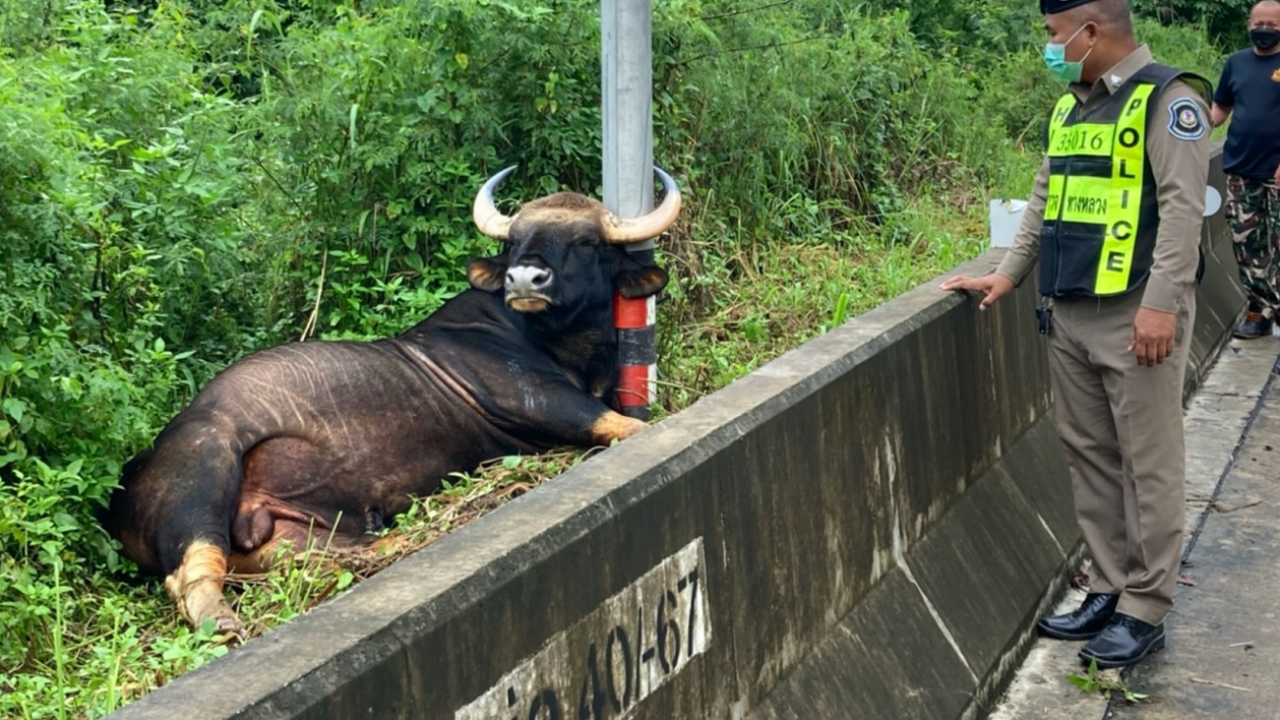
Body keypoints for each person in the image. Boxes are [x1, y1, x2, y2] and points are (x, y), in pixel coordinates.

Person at [940, 0, 1212, 669]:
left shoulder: (1169, 101)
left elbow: (1184, 211)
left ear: (1091, 32)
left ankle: (1145, 607)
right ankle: (1109, 585)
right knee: (1090, 453)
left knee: (1148, 462)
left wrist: (1161, 307)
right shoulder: (1072, 107)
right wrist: (1008, 274)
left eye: (1054, 35)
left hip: (1134, 313)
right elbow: (1044, 199)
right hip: (1068, 309)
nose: (1050, 47)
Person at [1211, 1, 1280, 339]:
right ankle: (1260, 310)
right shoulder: (1236, 63)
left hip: (1276, 172)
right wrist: (1192, 127)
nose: (1264, 29)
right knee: (1247, 243)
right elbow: (1221, 107)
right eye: (1259, 23)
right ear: (1249, 25)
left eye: (1272, 24)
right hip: (1242, 169)